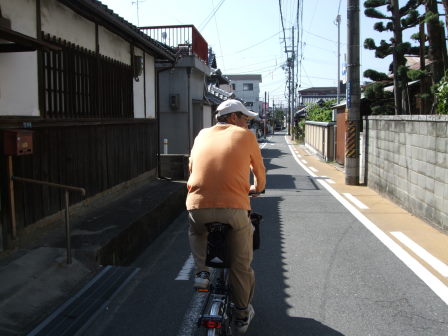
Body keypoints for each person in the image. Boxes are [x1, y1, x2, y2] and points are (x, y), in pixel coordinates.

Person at [186, 99, 266, 334]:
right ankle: (241, 316)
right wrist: (258, 188)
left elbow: (192, 167)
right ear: (233, 118)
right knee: (241, 266)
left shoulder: (201, 134)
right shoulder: (246, 136)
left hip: (197, 205)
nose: (247, 123)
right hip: (234, 207)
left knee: (196, 231)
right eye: (244, 118)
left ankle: (202, 272)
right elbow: (258, 170)